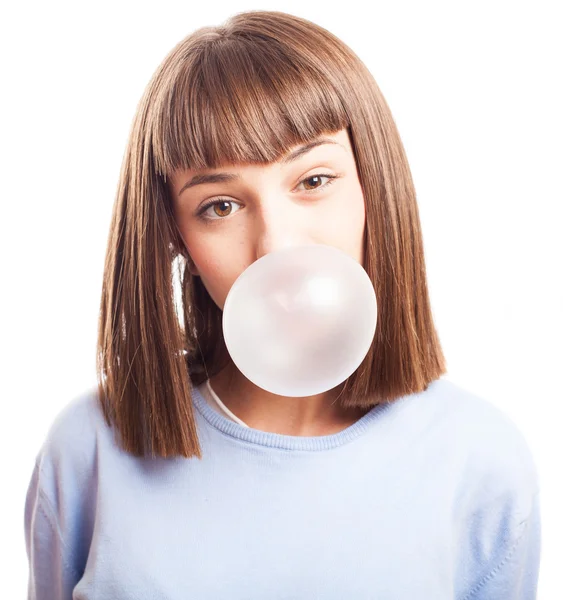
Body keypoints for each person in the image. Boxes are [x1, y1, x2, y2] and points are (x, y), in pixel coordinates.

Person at [23, 9, 541, 599]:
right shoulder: (90, 447)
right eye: (220, 205)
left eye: (313, 181)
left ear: (374, 183)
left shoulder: (479, 460)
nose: (277, 244)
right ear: (178, 239)